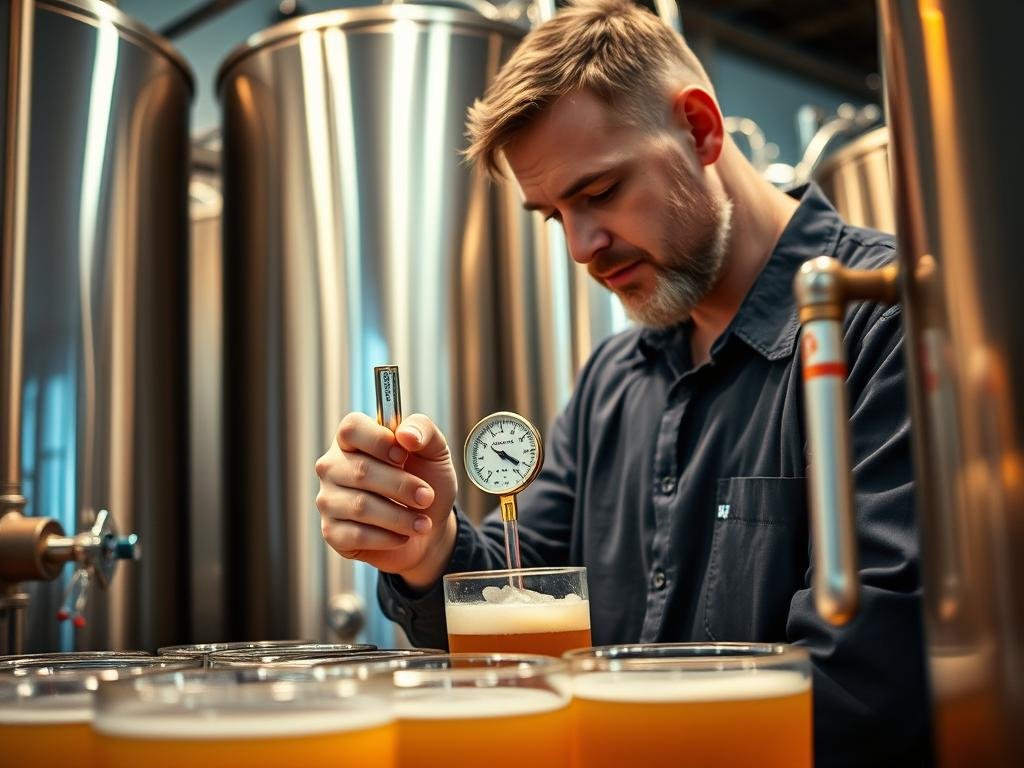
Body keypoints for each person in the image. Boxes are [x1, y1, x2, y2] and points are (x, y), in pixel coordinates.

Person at [314, 1, 931, 764]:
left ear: (700, 128)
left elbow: (864, 690)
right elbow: (526, 596)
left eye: (600, 192)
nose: (581, 247)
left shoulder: (883, 320)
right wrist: (425, 544)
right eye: (553, 216)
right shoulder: (612, 379)